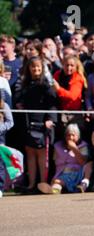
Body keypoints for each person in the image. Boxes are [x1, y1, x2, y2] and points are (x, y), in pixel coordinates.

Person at [15, 57, 59, 194]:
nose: (36, 70)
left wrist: (51, 119)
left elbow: (52, 103)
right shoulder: (25, 83)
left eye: (38, 67)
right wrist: (19, 104)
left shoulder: (46, 84)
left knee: (42, 154)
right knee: (30, 154)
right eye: (33, 67)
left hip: (43, 123)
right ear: (29, 68)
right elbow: (19, 98)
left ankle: (42, 182)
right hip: (28, 122)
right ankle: (32, 184)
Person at [39, 124, 92, 194]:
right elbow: (56, 162)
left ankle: (83, 185)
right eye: (68, 135)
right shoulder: (58, 146)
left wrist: (74, 148)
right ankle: (54, 190)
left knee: (90, 164)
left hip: (78, 173)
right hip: (63, 173)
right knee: (57, 182)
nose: (70, 137)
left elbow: (82, 161)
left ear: (78, 136)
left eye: (73, 135)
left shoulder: (83, 146)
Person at [0, 95, 14, 198]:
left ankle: (0, 188)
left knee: (0, 164)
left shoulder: (4, 105)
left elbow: (10, 122)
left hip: (0, 138)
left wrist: (0, 128)